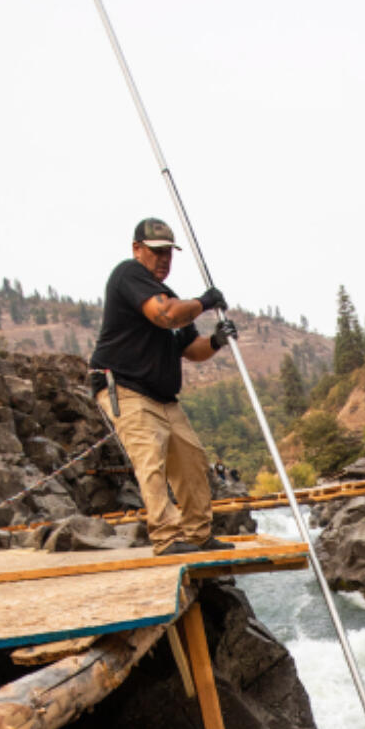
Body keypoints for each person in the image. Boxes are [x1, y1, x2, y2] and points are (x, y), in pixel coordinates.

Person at [89, 218, 238, 554]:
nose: (163, 259)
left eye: (169, 252)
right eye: (156, 252)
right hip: (124, 386)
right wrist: (204, 302)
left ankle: (198, 534)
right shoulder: (128, 276)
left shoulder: (167, 296)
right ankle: (167, 537)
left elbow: (192, 349)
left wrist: (216, 340)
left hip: (163, 396)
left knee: (192, 460)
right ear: (137, 249)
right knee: (150, 459)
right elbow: (166, 316)